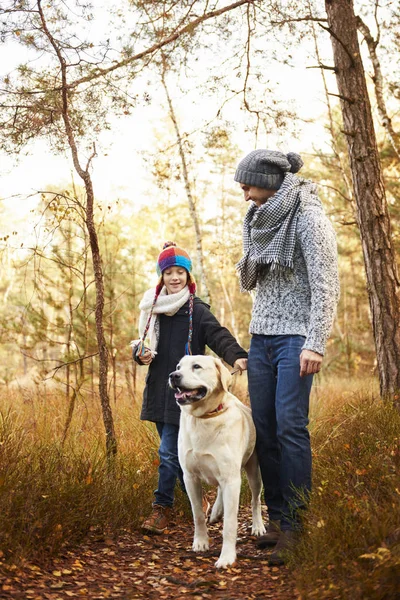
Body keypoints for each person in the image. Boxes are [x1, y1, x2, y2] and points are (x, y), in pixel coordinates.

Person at [234, 150, 339, 565]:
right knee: (265, 428)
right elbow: (253, 280)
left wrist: (315, 341)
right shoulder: (259, 219)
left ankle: (296, 526)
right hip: (262, 337)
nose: (243, 196)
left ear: (267, 181)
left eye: (246, 186)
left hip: (297, 338)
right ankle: (277, 518)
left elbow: (326, 284)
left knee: (291, 427)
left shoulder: (309, 219)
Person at [132, 241, 248, 534]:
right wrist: (140, 353)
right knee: (180, 456)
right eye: (169, 272)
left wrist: (236, 356)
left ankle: (161, 509)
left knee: (169, 452)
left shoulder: (197, 311)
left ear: (188, 276)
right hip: (161, 389)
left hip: (191, 396)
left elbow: (218, 335)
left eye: (179, 272)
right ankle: (201, 504)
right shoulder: (152, 309)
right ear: (161, 276)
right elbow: (143, 345)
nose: (174, 278)